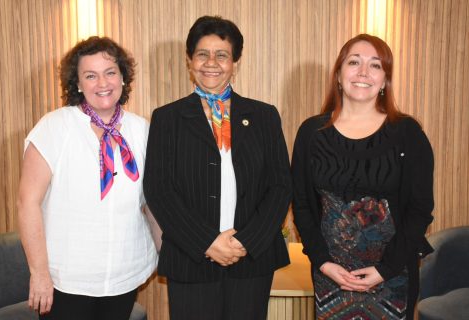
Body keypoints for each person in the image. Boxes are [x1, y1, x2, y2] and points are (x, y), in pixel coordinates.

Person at [143, 15, 292, 320]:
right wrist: (207, 242)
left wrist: (245, 242)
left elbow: (280, 186)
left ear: (235, 62)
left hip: (251, 260)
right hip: (191, 259)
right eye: (202, 54)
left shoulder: (264, 116)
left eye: (221, 55)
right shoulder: (167, 118)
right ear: (189, 60)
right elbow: (159, 190)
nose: (211, 62)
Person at [291, 34, 434, 320]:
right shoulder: (311, 133)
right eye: (354, 62)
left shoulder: (408, 134)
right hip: (331, 276)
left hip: (392, 276)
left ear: (385, 80)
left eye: (376, 65)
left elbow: (420, 210)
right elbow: (303, 204)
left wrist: (385, 269)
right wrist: (322, 262)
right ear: (339, 75)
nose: (363, 72)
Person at [17, 36, 158, 320]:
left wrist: (166, 253)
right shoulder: (54, 128)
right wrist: (39, 273)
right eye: (90, 76)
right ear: (78, 83)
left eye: (110, 73)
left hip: (124, 276)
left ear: (122, 77)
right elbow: (27, 203)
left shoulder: (142, 130)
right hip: (67, 281)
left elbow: (152, 203)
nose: (102, 83)